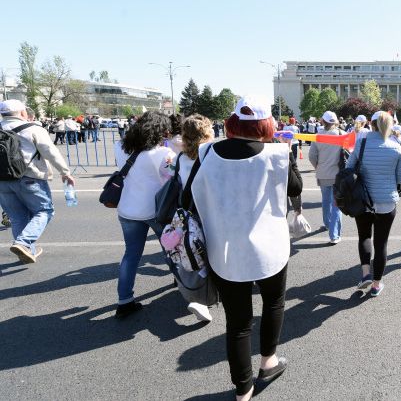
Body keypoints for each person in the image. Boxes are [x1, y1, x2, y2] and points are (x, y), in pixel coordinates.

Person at [191, 97, 302, 401]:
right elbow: (295, 188)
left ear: (232, 121)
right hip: (269, 247)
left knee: (238, 323)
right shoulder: (276, 153)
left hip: (224, 249)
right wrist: (288, 153)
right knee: (273, 303)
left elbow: (190, 197)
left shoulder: (207, 152)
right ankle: (268, 362)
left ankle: (243, 389)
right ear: (266, 125)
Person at [112, 111, 175, 318]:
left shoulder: (120, 147)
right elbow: (173, 178)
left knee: (131, 255)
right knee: (172, 249)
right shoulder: (164, 154)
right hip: (156, 210)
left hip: (127, 208)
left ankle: (124, 300)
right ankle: (182, 283)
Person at [0, 99, 74, 264]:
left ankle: (28, 251)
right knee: (44, 211)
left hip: (2, 181)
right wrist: (65, 172)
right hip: (29, 178)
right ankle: (23, 243)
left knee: (17, 217)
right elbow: (50, 151)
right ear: (23, 113)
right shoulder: (32, 128)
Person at [347, 111, 401, 296]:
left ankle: (365, 273)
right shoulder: (396, 147)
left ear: (371, 124)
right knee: (381, 243)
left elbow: (349, 167)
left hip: (363, 200)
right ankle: (376, 285)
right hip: (387, 201)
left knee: (364, 236)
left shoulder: (362, 143)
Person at [172, 114, 216, 322]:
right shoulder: (211, 155)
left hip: (188, 211)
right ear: (206, 133)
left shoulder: (180, 158)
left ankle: (196, 294)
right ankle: (203, 299)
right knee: (212, 253)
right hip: (209, 210)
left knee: (193, 252)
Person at [309, 111, 345, 244]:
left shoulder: (318, 136)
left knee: (325, 201)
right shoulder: (342, 134)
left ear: (323, 121)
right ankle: (334, 235)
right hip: (338, 174)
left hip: (323, 173)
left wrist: (318, 166)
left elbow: (312, 156)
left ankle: (327, 223)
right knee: (336, 204)